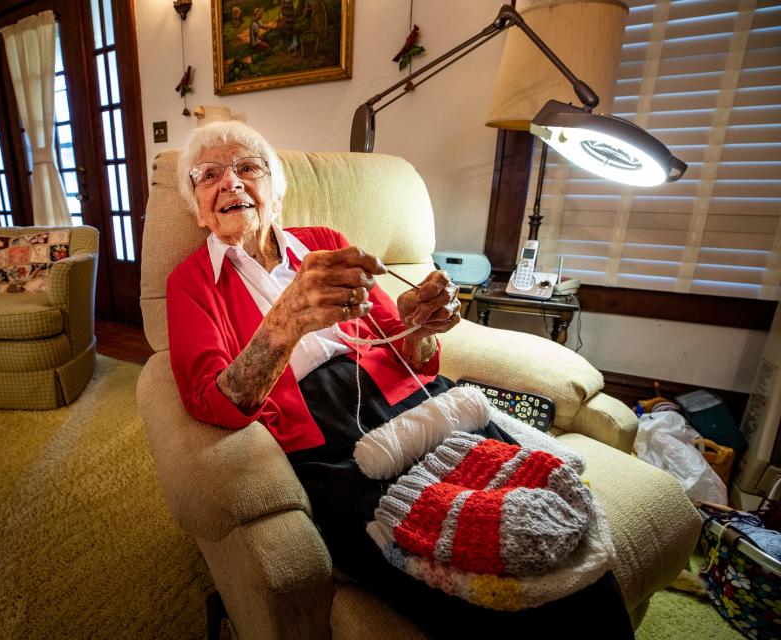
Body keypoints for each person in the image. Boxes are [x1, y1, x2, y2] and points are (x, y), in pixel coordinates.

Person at [167, 120, 633, 638]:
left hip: (424, 409)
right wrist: (287, 320)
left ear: (275, 192)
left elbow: (416, 353)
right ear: (196, 202)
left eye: (247, 168)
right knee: (480, 585)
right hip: (334, 451)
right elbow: (211, 400)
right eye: (209, 175)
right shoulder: (190, 283)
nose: (229, 183)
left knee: (561, 535)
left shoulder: (325, 243)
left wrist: (421, 324)